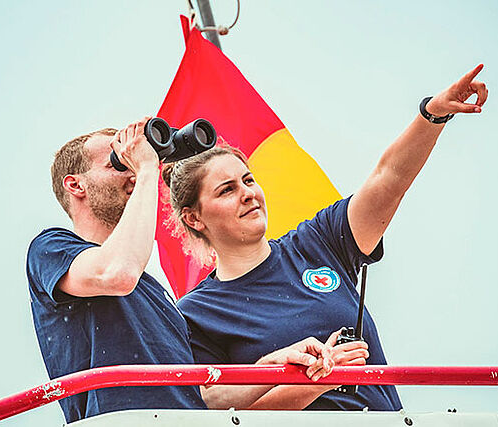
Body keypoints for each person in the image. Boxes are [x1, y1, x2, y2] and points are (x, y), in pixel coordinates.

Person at [166, 65, 489, 410]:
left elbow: (388, 180)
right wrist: (317, 380)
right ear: (193, 218)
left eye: (248, 180)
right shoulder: (195, 315)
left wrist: (433, 114)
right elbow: (220, 415)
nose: (248, 194)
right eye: (227, 190)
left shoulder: (317, 242)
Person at [26, 118, 351, 422]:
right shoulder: (52, 248)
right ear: (75, 185)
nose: (132, 173)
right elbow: (117, 273)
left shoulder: (156, 297)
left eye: (131, 162)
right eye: (118, 163)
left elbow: (198, 399)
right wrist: (147, 167)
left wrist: (270, 367)